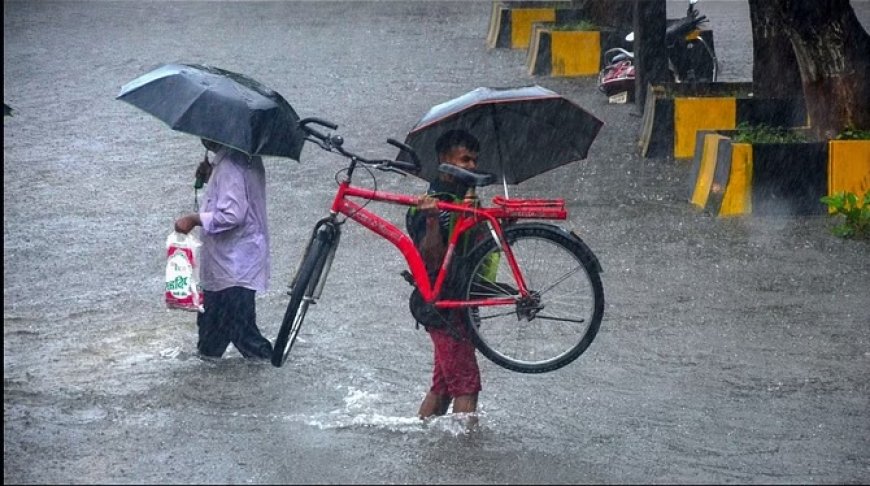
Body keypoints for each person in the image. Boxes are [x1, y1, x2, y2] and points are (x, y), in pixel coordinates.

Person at [406, 129, 486, 422]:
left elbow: (473, 250)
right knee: (467, 385)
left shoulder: (465, 199)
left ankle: (423, 438)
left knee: (443, 387)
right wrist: (430, 220)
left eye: (475, 161)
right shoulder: (430, 204)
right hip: (443, 306)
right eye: (465, 160)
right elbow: (432, 259)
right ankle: (465, 458)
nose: (472, 167)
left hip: (461, 301)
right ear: (444, 159)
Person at [174, 139, 273, 361]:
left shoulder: (229, 165)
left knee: (242, 332)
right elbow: (240, 194)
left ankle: (273, 368)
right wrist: (212, 176)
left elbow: (233, 214)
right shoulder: (244, 157)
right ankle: (210, 382)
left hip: (233, 265)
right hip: (232, 263)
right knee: (211, 334)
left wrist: (194, 219)